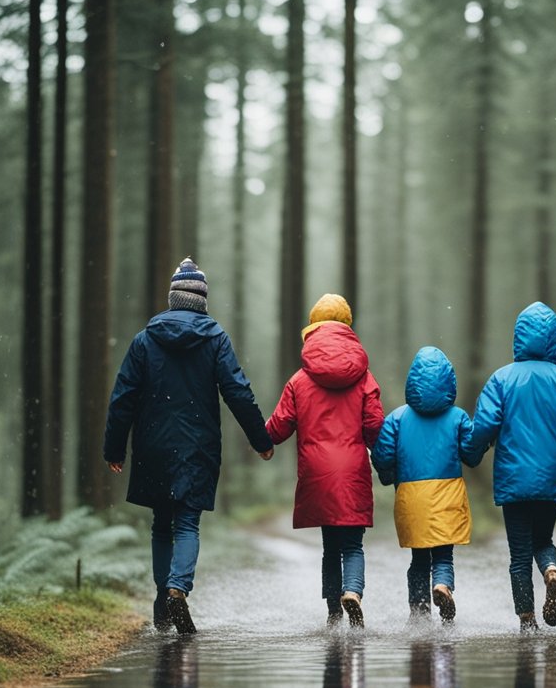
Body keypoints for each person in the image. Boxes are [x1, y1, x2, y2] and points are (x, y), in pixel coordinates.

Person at [104, 258, 274, 635]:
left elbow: (123, 398)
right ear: (202, 300)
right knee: (186, 522)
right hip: (197, 446)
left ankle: (164, 597)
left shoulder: (145, 340)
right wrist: (260, 439)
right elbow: (237, 392)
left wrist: (115, 448)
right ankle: (178, 588)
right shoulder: (215, 338)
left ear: (172, 298)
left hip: (153, 446)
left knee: (160, 525)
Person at [468, 301, 556, 632]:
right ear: (555, 340)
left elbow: (485, 424)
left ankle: (527, 620)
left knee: (518, 555)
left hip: (514, 479)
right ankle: (551, 572)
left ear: (519, 338)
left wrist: (472, 454)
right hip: (550, 477)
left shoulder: (501, 379)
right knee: (543, 539)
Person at [265, 294, 384, 628]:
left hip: (316, 472)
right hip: (352, 470)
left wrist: (263, 442)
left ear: (313, 329)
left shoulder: (299, 381)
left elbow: (280, 424)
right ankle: (353, 593)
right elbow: (374, 423)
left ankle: (333, 611)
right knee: (353, 546)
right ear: (347, 328)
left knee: (330, 547)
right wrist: (383, 456)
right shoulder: (364, 377)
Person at [371, 346, 481, 624]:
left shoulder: (397, 418)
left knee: (419, 559)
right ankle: (442, 586)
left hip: (411, 496)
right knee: (443, 554)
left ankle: (419, 611)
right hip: (447, 493)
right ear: (448, 380)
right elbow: (471, 454)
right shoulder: (457, 417)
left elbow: (383, 456)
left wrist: (388, 476)